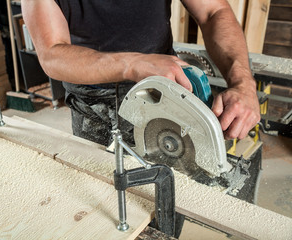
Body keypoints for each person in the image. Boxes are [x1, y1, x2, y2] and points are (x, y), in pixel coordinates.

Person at [21, 0, 260, 236]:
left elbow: (213, 11)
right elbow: (52, 53)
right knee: (108, 211)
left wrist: (243, 82)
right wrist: (132, 64)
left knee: (169, 202)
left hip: (165, 89)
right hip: (94, 104)